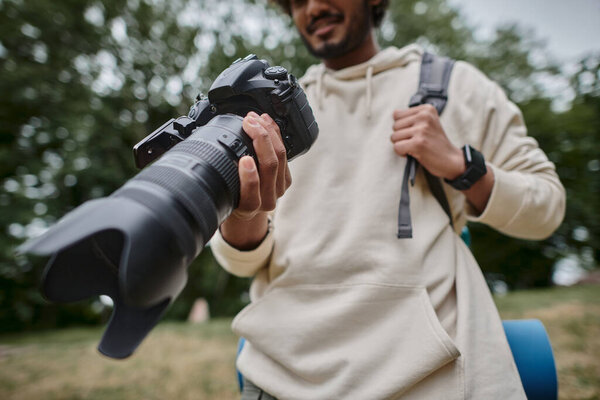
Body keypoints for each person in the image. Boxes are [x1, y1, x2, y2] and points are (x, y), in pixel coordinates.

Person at [210, 0, 566, 398]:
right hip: (279, 378)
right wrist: (243, 214)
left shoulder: (457, 85)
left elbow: (547, 207)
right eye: (295, 2)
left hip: (430, 377)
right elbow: (240, 261)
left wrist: (460, 164)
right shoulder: (265, 113)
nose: (312, 8)